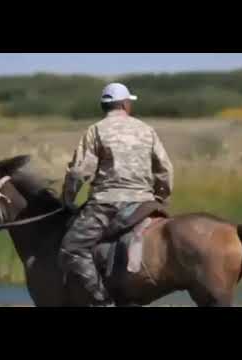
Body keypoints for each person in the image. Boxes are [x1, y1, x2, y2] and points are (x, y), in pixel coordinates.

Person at [58, 83, 174, 306]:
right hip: (144, 203)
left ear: (106, 105)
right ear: (124, 104)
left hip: (106, 204)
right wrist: (161, 196)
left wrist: (68, 199)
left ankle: (103, 301)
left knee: (72, 248)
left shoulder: (96, 130)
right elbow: (165, 168)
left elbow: (80, 172)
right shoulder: (146, 129)